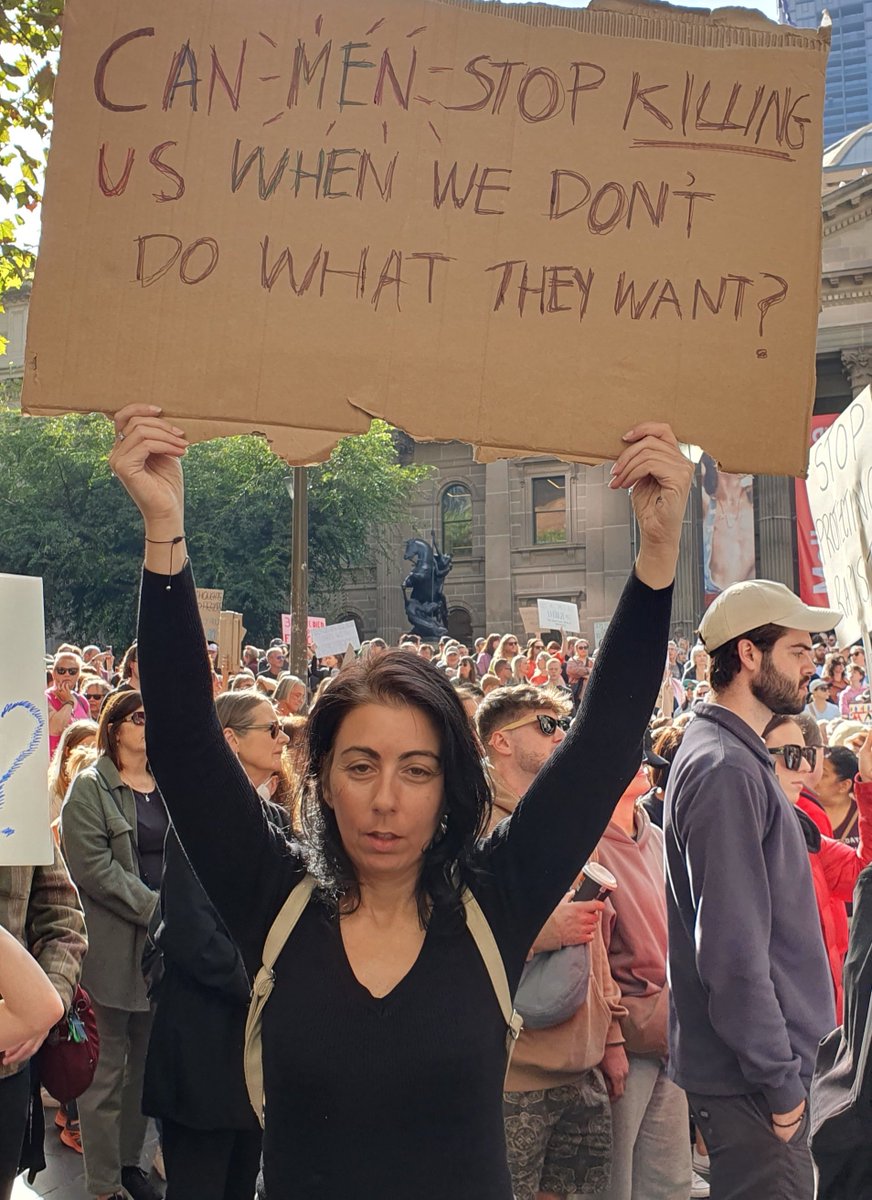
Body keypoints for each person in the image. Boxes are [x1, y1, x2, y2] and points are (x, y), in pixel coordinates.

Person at [111, 405, 691, 1199]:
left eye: (416, 770)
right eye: (360, 765)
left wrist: (658, 552)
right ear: (319, 777)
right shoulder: (272, 901)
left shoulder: (498, 902)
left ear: (452, 785)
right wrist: (163, 528)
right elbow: (181, 738)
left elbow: (604, 740)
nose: (386, 800)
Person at [665, 579, 842, 1200]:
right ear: (747, 654)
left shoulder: (730, 756)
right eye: (797, 651)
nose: (811, 664)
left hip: (762, 1075)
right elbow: (732, 956)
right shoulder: (725, 767)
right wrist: (783, 1086)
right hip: (758, 1084)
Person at [144, 691, 290, 1200]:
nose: (283, 739)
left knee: (241, 1181)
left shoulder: (275, 819)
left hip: (250, 1051)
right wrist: (262, 982)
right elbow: (189, 931)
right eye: (270, 729)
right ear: (230, 739)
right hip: (204, 1042)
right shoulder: (196, 820)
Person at [477, 686, 621, 1200]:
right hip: (514, 1078)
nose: (561, 734)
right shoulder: (470, 827)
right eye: (544, 725)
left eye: (561, 724)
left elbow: (594, 934)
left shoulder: (567, 820)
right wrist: (539, 931)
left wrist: (614, 1039)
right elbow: (451, 930)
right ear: (500, 741)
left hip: (582, 1069)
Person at [61, 691, 168, 1200]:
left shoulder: (166, 785)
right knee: (105, 1074)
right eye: (141, 718)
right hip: (110, 952)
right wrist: (157, 909)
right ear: (115, 727)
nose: (150, 726)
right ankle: (103, 1184)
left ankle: (129, 1167)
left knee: (144, 1071)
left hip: (164, 954)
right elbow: (95, 871)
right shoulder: (90, 788)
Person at [596, 758, 692, 1200]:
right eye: (625, 754)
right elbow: (591, 951)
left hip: (670, 1027)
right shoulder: (587, 843)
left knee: (668, 1177)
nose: (640, 763)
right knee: (618, 1180)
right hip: (624, 1037)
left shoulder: (654, 834)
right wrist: (612, 1038)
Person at [762, 715, 872, 1022]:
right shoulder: (740, 834)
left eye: (809, 754)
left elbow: (862, 874)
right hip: (789, 1029)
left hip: (824, 1014)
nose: (807, 768)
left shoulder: (801, 826)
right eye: (792, 756)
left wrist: (870, 786)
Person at [47, 719, 98, 823]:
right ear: (67, 752)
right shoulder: (50, 797)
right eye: (85, 747)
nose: (90, 754)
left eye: (96, 749)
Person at [46, 651, 91, 758]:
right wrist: (69, 702)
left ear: (78, 675)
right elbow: (55, 729)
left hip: (78, 763)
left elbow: (89, 732)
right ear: (53, 673)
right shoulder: (46, 698)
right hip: (54, 765)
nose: (67, 674)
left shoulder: (82, 701)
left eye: (72, 671)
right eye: (61, 670)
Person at [818, 746, 860, 845]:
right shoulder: (801, 812)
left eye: (823, 774)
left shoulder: (865, 816)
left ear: (844, 785)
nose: (814, 776)